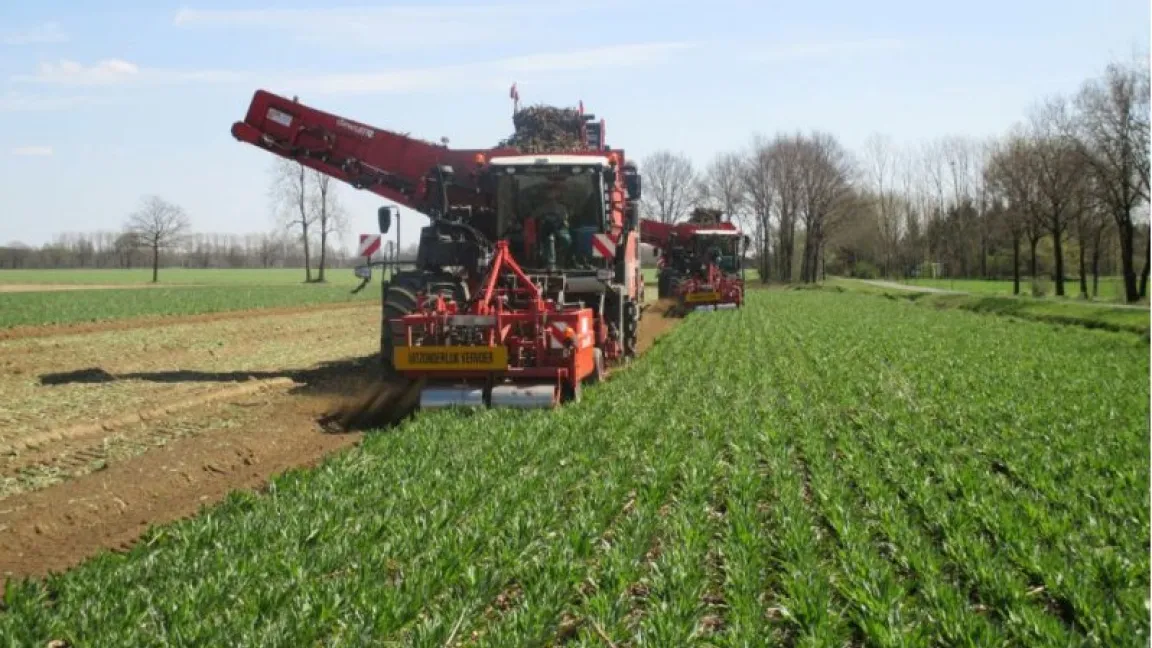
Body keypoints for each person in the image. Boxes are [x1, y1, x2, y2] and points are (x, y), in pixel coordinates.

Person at [533, 182, 572, 264]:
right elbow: (533, 218)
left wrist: (563, 224)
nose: (552, 195)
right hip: (543, 232)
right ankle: (547, 260)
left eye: (554, 193)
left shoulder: (562, 208)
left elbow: (566, 221)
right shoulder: (541, 208)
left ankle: (564, 259)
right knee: (549, 238)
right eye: (549, 193)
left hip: (560, 230)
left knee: (566, 240)